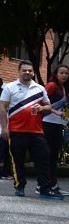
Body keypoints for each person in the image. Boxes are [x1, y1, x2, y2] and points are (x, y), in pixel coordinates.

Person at [0, 60, 62, 200]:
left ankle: (45, 188)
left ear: (33, 72)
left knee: (44, 158)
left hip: (37, 131)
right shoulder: (10, 87)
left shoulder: (39, 88)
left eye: (30, 70)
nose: (27, 72)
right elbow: (2, 108)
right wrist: (4, 128)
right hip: (16, 131)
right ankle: (20, 187)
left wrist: (42, 108)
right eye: (24, 70)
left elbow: (48, 107)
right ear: (19, 71)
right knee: (17, 161)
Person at [41, 65, 69, 196]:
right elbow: (41, 103)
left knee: (54, 156)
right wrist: (55, 111)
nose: (64, 75)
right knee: (47, 154)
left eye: (66, 73)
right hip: (47, 122)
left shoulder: (64, 88)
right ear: (56, 74)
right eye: (61, 73)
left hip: (58, 124)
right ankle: (42, 184)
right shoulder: (51, 85)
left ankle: (53, 184)